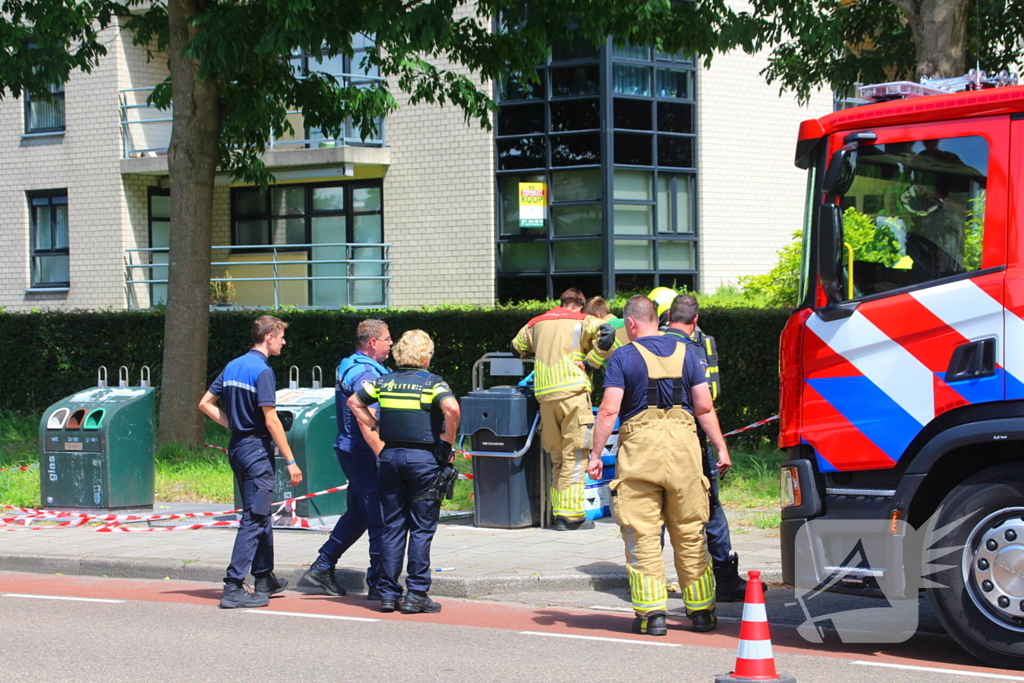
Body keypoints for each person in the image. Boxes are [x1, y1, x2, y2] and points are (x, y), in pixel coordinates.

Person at [587, 296, 717, 636]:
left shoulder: (623, 356)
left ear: (630, 324)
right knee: (690, 532)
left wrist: (595, 454)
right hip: (684, 451)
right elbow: (703, 407)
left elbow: (610, 410)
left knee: (642, 534)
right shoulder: (689, 352)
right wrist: (720, 446)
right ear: (657, 320)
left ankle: (652, 616)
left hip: (640, 454)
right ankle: (701, 612)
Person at [348, 329, 460, 614]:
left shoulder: (383, 381)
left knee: (393, 527)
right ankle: (416, 594)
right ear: (426, 355)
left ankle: (388, 594)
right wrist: (446, 444)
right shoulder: (432, 383)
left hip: (390, 458)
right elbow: (452, 408)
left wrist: (375, 426)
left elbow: (354, 402)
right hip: (424, 460)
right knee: (422, 529)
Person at [661, 294, 764, 602]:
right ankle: (724, 579)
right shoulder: (700, 345)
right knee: (710, 509)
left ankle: (648, 579)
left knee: (655, 511)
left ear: (667, 316)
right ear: (696, 319)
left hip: (650, 442)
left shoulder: (645, 344)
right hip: (691, 439)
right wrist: (722, 447)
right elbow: (709, 397)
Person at [198, 315, 303, 609]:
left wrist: (234, 425)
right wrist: (291, 460)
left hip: (237, 448)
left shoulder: (233, 365)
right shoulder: (263, 371)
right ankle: (233, 586)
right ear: (268, 336)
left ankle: (264, 577)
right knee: (255, 518)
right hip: (257, 450)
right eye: (281, 336)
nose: (283, 341)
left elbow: (205, 403)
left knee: (258, 512)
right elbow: (271, 419)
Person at [298, 319, 391, 599]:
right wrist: (384, 455)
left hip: (352, 450)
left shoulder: (349, 364)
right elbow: (370, 420)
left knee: (358, 514)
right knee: (379, 517)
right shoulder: (365, 373)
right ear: (373, 343)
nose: (391, 345)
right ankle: (378, 584)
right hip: (364, 451)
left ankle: (322, 567)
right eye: (387, 339)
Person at [511, 288, 615, 530]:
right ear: (580, 305)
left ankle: (558, 513)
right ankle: (571, 516)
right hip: (573, 393)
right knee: (576, 454)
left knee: (557, 457)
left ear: (561, 302)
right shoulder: (584, 320)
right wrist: (591, 362)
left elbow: (515, 348)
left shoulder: (536, 323)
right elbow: (608, 333)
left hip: (546, 396)